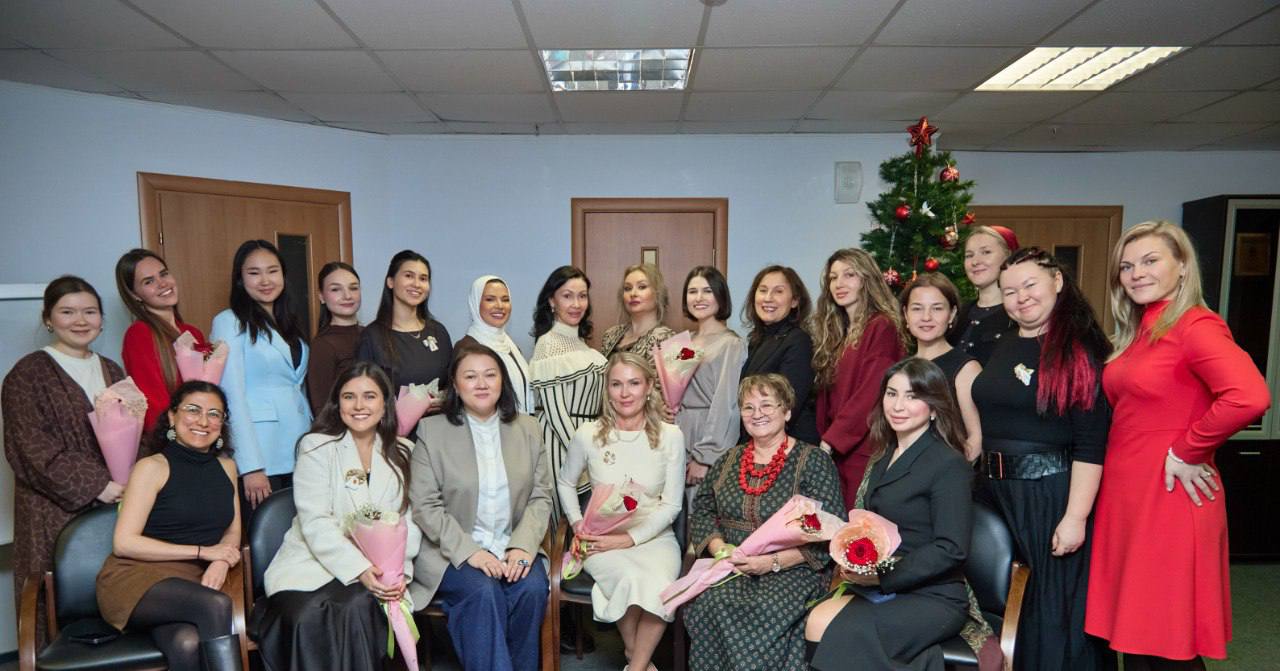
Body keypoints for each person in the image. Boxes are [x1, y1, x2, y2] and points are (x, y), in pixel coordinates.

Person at [1087, 221, 1270, 669]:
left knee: (1165, 641)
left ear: (1183, 266)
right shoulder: (1141, 330)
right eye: (1127, 266)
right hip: (1129, 494)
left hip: (1168, 495)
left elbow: (1249, 396)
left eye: (1151, 261)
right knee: (1136, 639)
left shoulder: (1195, 325)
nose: (1136, 274)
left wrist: (1189, 449)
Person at [971, 247, 1115, 671]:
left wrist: (1075, 518)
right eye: (1009, 291)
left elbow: (1090, 445)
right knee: (1004, 606)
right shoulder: (1004, 343)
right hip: (993, 494)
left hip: (1046, 498)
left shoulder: (1079, 352)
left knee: (1050, 610)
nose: (1021, 298)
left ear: (1057, 282)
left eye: (1030, 285)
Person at [806, 358, 975, 670]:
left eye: (912, 396)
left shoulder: (949, 464)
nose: (898, 406)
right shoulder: (884, 455)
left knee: (841, 631)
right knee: (815, 618)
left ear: (934, 408)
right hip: (884, 584)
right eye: (892, 393)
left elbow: (951, 548)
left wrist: (882, 575)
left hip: (932, 595)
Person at [253, 361, 419, 671]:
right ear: (337, 403)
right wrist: (359, 569)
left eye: (369, 396)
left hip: (380, 572)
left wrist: (395, 574)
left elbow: (408, 521)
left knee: (359, 605)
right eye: (348, 396)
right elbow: (315, 520)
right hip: (310, 565)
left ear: (385, 404)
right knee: (309, 617)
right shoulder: (315, 446)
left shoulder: (404, 452)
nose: (359, 406)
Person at [409, 342, 553, 671]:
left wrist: (523, 546)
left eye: (490, 375)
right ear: (455, 384)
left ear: (503, 380)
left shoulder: (528, 428)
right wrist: (471, 552)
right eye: (470, 376)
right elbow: (425, 505)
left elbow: (540, 496)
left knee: (531, 588)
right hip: (453, 550)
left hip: (512, 543)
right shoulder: (432, 431)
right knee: (482, 590)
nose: (482, 384)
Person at [684, 374, 844, 671]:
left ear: (787, 412)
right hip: (732, 565)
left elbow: (831, 530)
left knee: (766, 610)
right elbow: (703, 510)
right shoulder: (728, 460)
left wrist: (771, 562)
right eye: (748, 407)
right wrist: (721, 550)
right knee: (708, 604)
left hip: (793, 570)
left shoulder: (813, 461)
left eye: (767, 405)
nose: (757, 414)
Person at [3, 276, 125, 647]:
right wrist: (99, 485)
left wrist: (132, 480)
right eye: (68, 312)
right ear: (48, 319)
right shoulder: (27, 374)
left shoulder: (113, 370)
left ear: (101, 319)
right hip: (50, 512)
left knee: (117, 592)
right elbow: (30, 448)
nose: (81, 321)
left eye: (90, 312)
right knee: (52, 603)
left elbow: (133, 431)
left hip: (115, 503)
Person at [95, 381, 242, 671]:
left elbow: (233, 530)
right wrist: (204, 552)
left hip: (192, 581)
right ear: (173, 417)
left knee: (185, 643)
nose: (203, 421)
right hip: (136, 578)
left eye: (214, 414)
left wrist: (221, 561)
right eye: (193, 410)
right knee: (216, 604)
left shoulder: (227, 467)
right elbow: (124, 543)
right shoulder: (152, 467)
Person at [559, 353, 685, 671]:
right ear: (608, 390)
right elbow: (565, 482)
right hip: (601, 539)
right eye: (616, 384)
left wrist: (630, 539)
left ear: (649, 387)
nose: (625, 393)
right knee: (629, 578)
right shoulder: (587, 434)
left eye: (634, 383)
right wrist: (577, 524)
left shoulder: (671, 436)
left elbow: (672, 505)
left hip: (653, 537)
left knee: (660, 585)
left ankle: (636, 665)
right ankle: (639, 661)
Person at [211, 240, 311, 514]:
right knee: (267, 532)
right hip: (263, 453)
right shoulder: (229, 321)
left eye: (273, 271)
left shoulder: (289, 322)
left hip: (299, 446)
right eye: (254, 273)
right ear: (240, 279)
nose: (265, 280)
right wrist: (250, 466)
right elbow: (230, 394)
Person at [811, 248, 908, 510]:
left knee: (858, 523)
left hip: (864, 446)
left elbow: (872, 391)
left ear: (867, 279)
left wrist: (832, 439)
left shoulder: (881, 326)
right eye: (833, 277)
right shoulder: (837, 331)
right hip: (839, 449)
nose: (839, 283)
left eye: (849, 275)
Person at [529, 266, 608, 503]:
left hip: (588, 443)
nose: (576, 304)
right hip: (562, 447)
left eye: (582, 296)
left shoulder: (581, 343)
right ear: (552, 301)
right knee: (571, 518)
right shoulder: (548, 344)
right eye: (567, 296)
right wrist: (583, 455)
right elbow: (555, 414)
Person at [116, 248, 211, 431]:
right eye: (149, 281)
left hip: (202, 431)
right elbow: (153, 403)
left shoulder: (193, 332)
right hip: (173, 437)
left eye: (164, 274)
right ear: (135, 294)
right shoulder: (139, 334)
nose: (162, 283)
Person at [674, 266, 746, 497]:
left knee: (700, 509)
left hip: (707, 434)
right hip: (678, 435)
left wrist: (705, 457)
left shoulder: (731, 344)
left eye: (707, 291)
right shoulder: (683, 342)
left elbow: (726, 405)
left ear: (720, 295)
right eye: (692, 291)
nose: (699, 298)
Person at [899, 273, 983, 461]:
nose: (926, 317)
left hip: (948, 473)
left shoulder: (966, 368)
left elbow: (976, 438)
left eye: (937, 308)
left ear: (951, 314)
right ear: (906, 314)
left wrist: (949, 472)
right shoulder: (901, 368)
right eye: (917, 308)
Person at [739, 265, 820, 445]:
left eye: (778, 291)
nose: (768, 298)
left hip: (789, 446)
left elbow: (789, 404)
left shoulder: (798, 341)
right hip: (760, 441)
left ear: (795, 301)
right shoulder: (757, 340)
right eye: (763, 290)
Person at [356, 250, 452, 393]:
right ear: (390, 282)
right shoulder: (372, 336)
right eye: (408, 276)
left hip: (439, 409)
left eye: (423, 279)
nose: (417, 284)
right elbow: (364, 391)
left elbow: (452, 383)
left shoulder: (438, 331)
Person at [456, 275, 534, 414]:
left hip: (519, 424)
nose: (499, 306)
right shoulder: (466, 347)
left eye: (505, 299)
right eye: (490, 299)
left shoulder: (511, 347)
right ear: (475, 303)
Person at [949, 226, 1019, 366]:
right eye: (969, 255)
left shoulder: (1020, 315)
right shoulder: (957, 314)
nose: (975, 262)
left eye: (986, 252)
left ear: (1009, 256)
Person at [306, 261, 363, 414]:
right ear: (321, 296)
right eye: (336, 289)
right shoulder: (323, 345)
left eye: (353, 288)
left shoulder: (372, 334)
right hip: (344, 426)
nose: (347, 296)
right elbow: (321, 407)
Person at [599, 263, 675, 377]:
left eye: (642, 287)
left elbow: (665, 386)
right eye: (627, 288)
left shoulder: (666, 338)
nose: (633, 294)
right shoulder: (611, 335)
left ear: (658, 293)